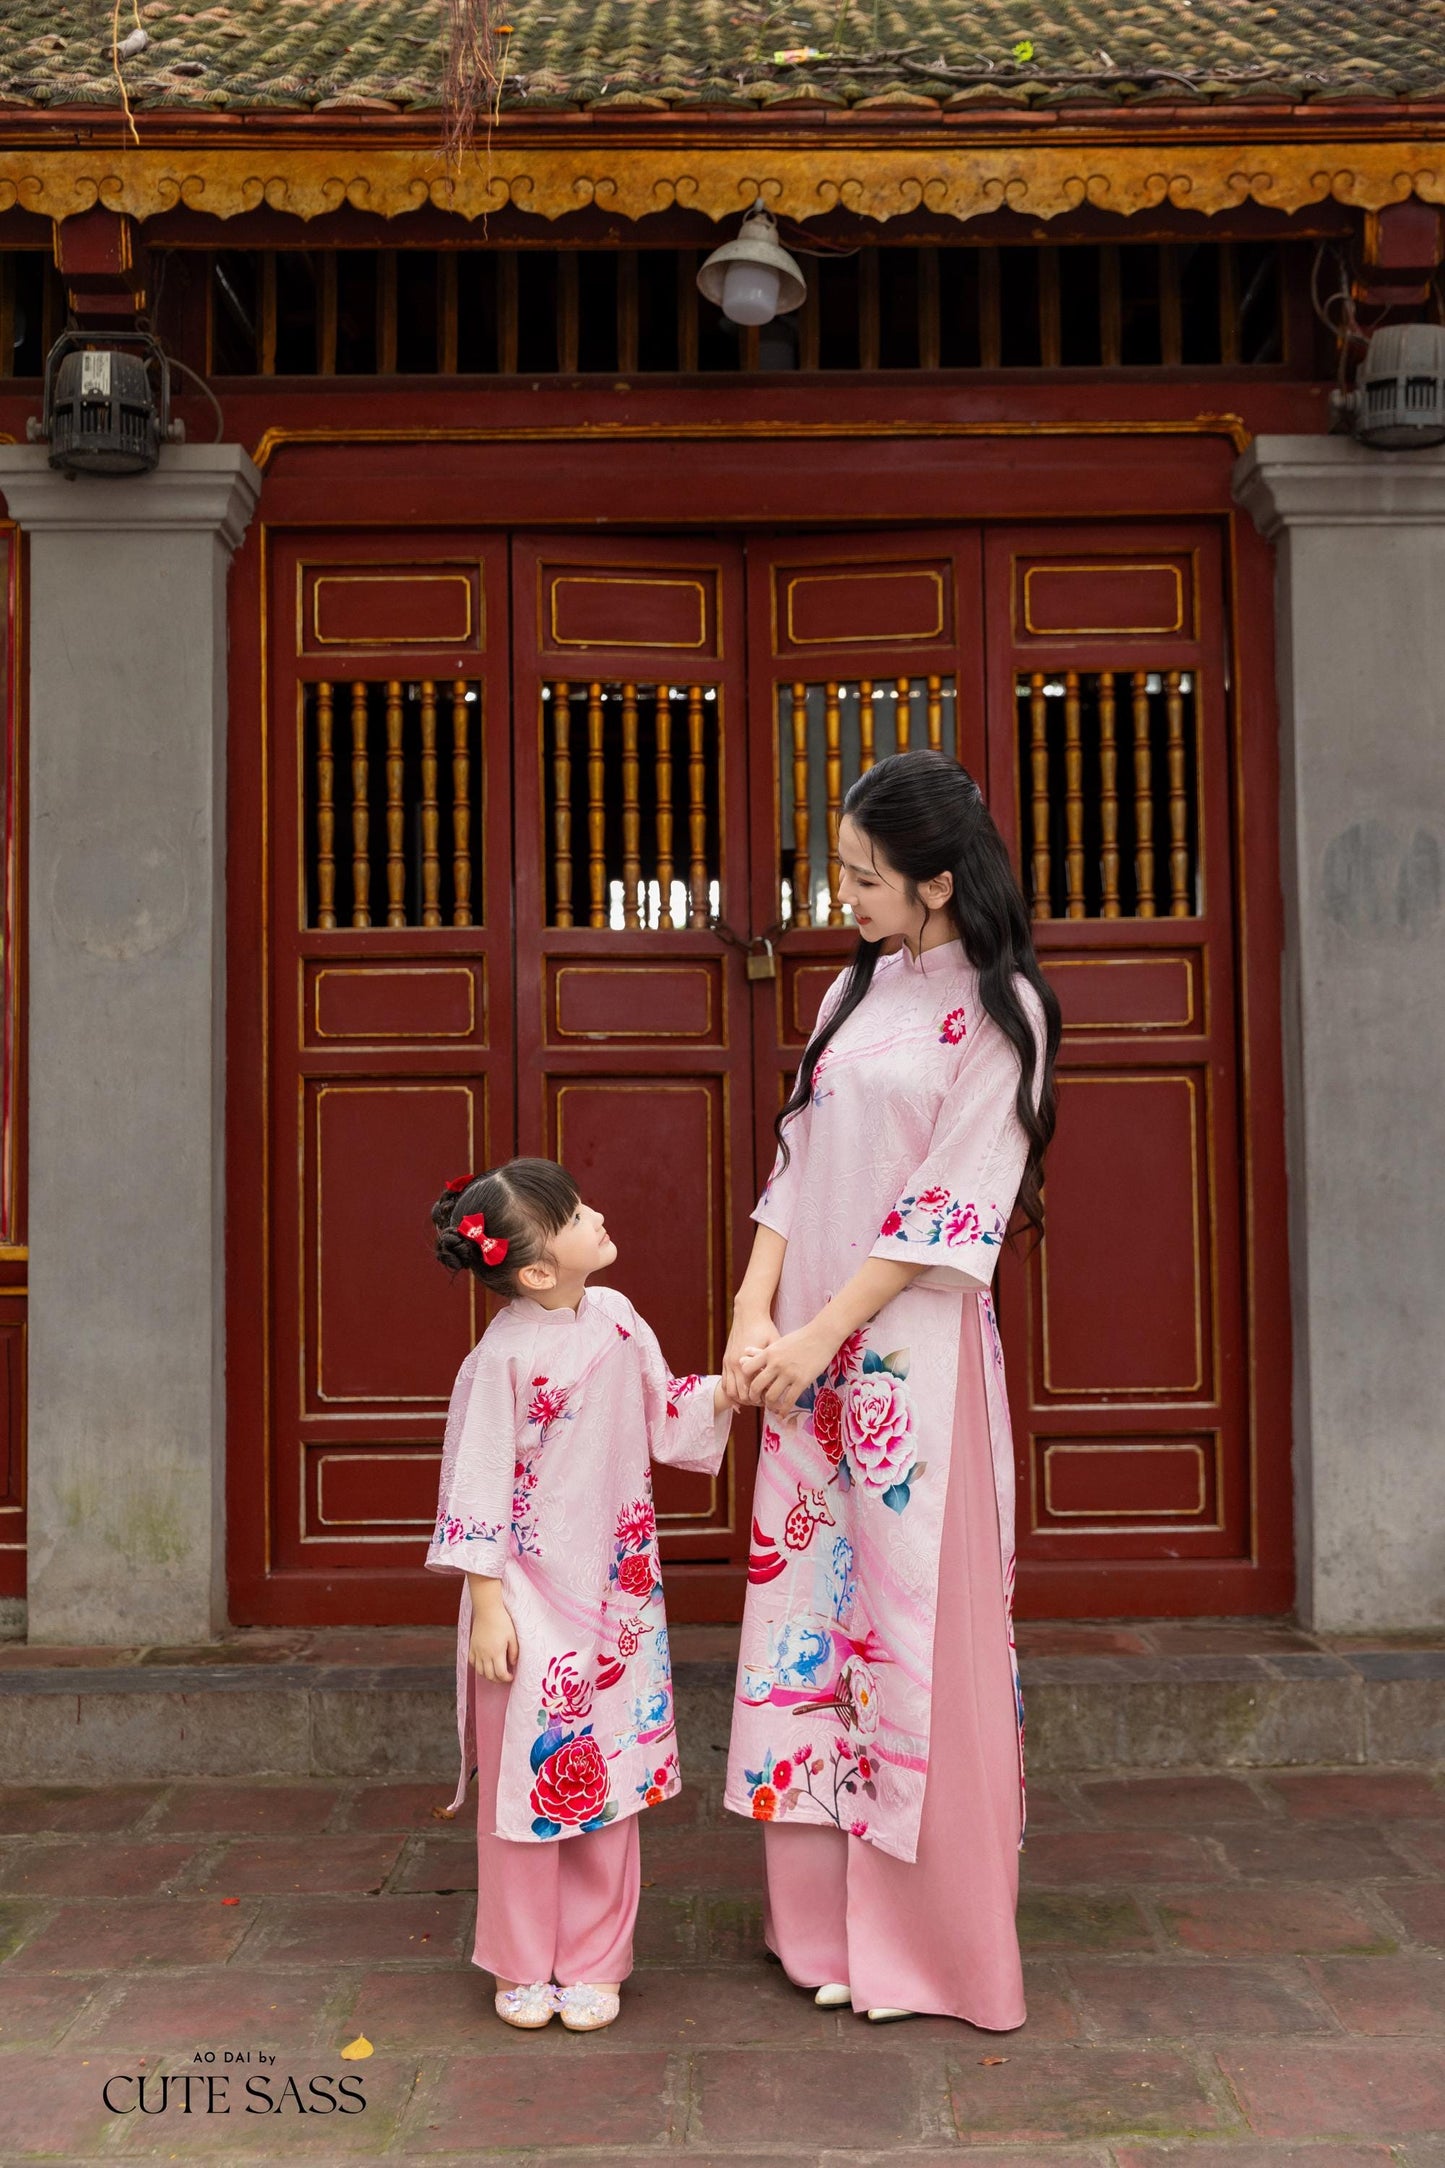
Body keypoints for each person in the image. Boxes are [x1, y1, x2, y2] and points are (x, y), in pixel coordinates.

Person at [723, 747, 1061, 2029]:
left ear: (934, 881)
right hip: (807, 1358)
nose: (841, 893)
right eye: (841, 869)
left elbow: (946, 1207)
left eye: (863, 876)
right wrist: (759, 1309)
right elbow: (795, 1154)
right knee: (806, 1629)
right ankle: (817, 1930)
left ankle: (924, 1951)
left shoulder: (1002, 1007)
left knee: (910, 1644)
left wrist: (819, 1330)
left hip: (908, 1371)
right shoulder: (848, 992)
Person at [427, 1157, 733, 2033]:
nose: (597, 1212)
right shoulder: (501, 1360)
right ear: (533, 1270)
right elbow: (476, 1485)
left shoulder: (617, 1317)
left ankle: (596, 1959)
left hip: (615, 1591)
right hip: (522, 1599)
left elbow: (665, 1412)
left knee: (610, 1776)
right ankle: (522, 1961)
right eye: (574, 1213)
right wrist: (485, 1605)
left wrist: (730, 1387)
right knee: (528, 1787)